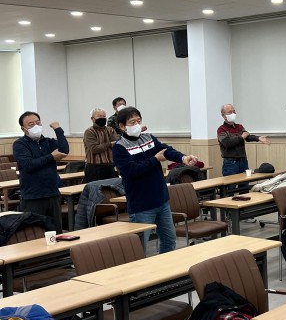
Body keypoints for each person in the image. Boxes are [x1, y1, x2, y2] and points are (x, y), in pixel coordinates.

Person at [112, 107, 199, 253]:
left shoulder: (148, 138)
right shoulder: (119, 147)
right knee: (140, 248)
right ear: (122, 126)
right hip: (141, 205)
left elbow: (166, 151)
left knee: (169, 241)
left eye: (139, 121)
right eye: (132, 122)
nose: (137, 125)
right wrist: (155, 159)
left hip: (161, 201)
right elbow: (131, 171)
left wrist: (183, 158)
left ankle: (166, 267)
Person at [13, 111, 69, 233]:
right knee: (35, 233)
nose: (36, 126)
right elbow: (29, 165)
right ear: (23, 128)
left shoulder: (48, 142)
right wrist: (51, 156)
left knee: (56, 232)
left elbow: (64, 150)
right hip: (33, 196)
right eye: (31, 124)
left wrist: (58, 130)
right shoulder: (19, 144)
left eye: (38, 123)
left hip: (52, 193)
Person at [218, 103, 268, 178]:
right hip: (230, 163)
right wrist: (241, 137)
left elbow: (247, 137)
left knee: (245, 183)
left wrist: (258, 138)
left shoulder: (239, 126)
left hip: (243, 161)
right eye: (230, 112)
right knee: (232, 184)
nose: (233, 114)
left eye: (234, 111)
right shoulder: (221, 129)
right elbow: (227, 143)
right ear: (223, 116)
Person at [83, 108, 118, 183]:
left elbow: (117, 143)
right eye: (99, 116)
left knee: (111, 189)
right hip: (94, 167)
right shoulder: (89, 132)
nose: (102, 118)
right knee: (95, 189)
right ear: (92, 119)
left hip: (109, 166)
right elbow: (94, 149)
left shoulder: (110, 130)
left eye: (104, 116)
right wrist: (109, 144)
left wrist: (111, 144)